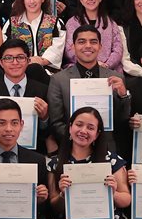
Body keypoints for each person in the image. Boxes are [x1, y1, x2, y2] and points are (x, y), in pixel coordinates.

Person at [48, 25, 131, 153]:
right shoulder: (59, 80)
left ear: (100, 47)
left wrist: (123, 96)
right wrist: (79, 139)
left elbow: (123, 120)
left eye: (93, 42)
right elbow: (56, 122)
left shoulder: (116, 78)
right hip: (73, 150)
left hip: (108, 149)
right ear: (72, 47)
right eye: (81, 42)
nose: (88, 46)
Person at [0, 39, 50, 149]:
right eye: (8, 58)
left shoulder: (42, 90)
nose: (15, 62)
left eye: (20, 57)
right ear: (1, 62)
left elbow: (46, 133)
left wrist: (44, 118)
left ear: (28, 60)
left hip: (32, 152)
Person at [4, 0, 67, 79]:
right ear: (22, 0)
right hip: (18, 73)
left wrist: (40, 61)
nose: (32, 1)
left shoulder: (55, 23)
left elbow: (57, 50)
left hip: (48, 74)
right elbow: (5, 49)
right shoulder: (11, 24)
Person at [65, 0, 123, 72]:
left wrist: (106, 65)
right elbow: (69, 50)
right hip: (79, 69)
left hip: (107, 70)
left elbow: (118, 49)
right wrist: (91, 64)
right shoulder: (72, 23)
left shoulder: (111, 23)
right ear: (81, 0)